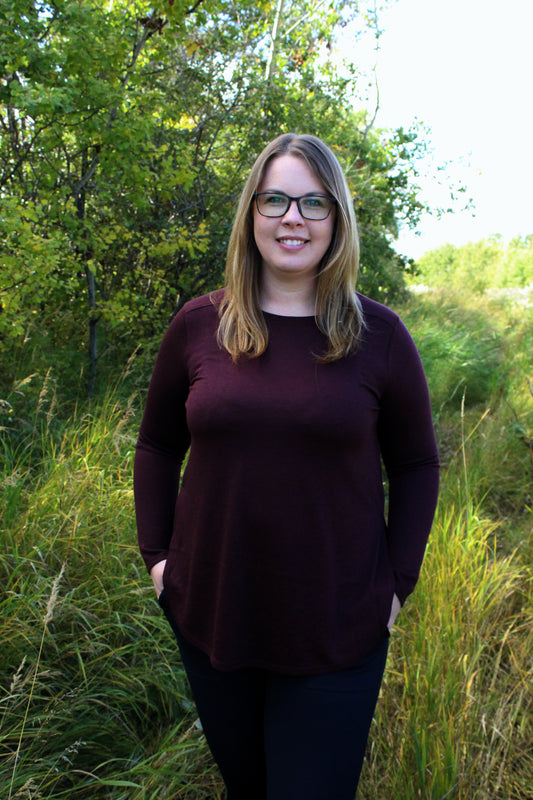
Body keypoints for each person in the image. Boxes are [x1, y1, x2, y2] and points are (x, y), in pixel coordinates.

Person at [134, 133, 439, 799]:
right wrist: (158, 561)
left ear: (336, 220)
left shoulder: (377, 336)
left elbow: (416, 463)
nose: (291, 218)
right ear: (251, 213)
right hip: (216, 617)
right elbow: (156, 446)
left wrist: (396, 585)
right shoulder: (198, 326)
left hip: (337, 627)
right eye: (274, 199)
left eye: (312, 203)